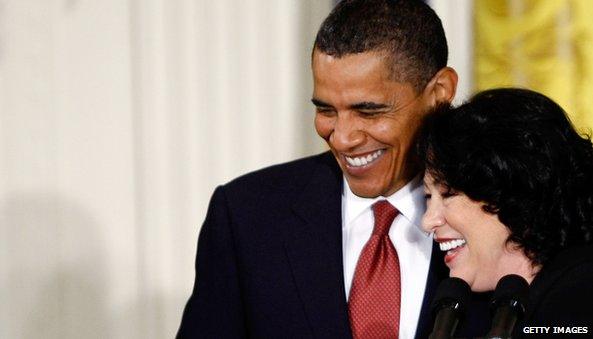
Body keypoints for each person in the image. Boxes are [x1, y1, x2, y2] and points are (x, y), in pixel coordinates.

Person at [177, 1, 489, 338]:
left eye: (368, 112)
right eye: (326, 110)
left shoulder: (503, 214)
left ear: (439, 93)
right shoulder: (247, 217)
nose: (341, 139)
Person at [419, 88, 593, 335]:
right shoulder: (469, 308)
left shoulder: (581, 292)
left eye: (448, 193)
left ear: (516, 192)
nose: (427, 221)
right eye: (428, 196)